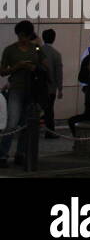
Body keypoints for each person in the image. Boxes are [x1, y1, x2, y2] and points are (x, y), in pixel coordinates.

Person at [0, 21, 48, 167]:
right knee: (12, 123)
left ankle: (20, 153)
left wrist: (33, 67)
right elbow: (2, 72)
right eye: (20, 36)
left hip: (32, 89)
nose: (22, 39)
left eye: (25, 36)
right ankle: (3, 154)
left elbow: (45, 66)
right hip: (16, 88)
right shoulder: (10, 50)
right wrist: (18, 67)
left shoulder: (37, 48)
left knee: (27, 124)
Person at [40, 29, 63, 140]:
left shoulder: (37, 51)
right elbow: (59, 73)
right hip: (50, 88)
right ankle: (50, 132)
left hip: (37, 87)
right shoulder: (56, 54)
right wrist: (60, 89)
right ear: (53, 38)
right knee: (49, 111)